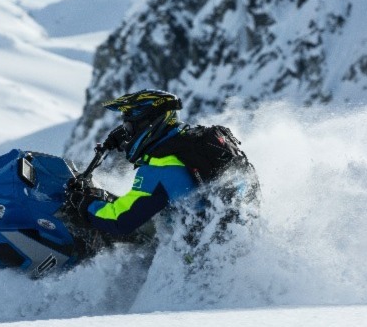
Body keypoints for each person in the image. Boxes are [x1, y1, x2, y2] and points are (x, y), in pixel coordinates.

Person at [65, 89, 259, 244]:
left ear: (147, 124)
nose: (126, 134)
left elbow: (119, 220)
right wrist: (119, 136)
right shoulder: (189, 144)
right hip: (230, 238)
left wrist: (85, 203)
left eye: (129, 127)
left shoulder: (160, 169)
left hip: (198, 258)